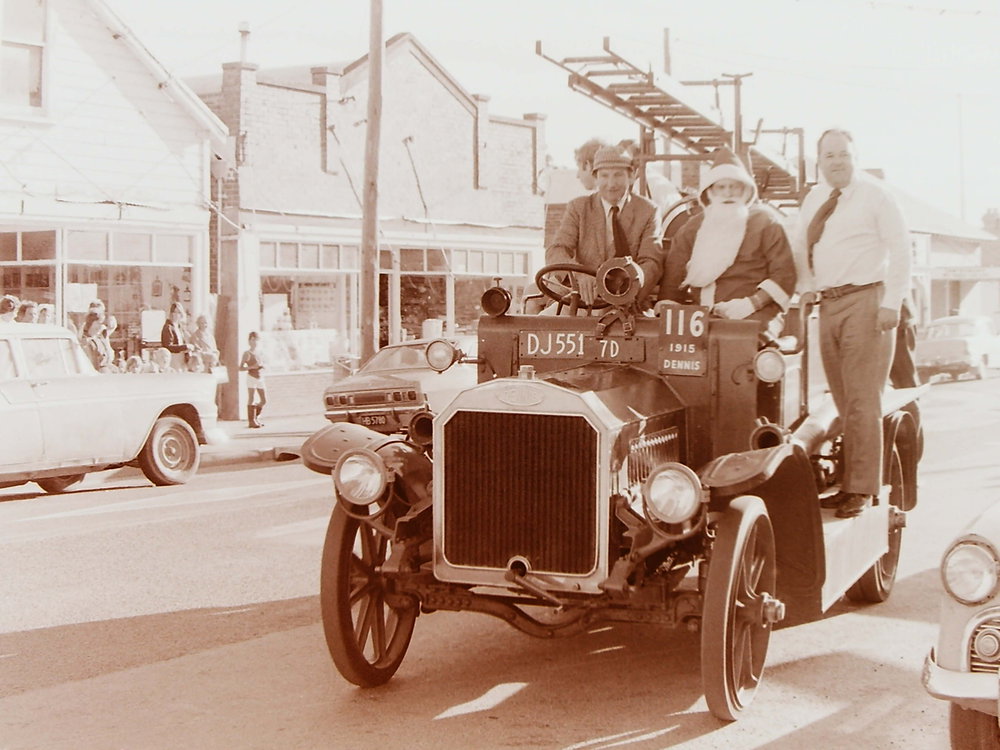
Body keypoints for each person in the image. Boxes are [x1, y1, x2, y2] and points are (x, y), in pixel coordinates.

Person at [793, 128, 911, 519]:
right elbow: (801, 248)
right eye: (829, 156)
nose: (836, 162)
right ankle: (848, 484)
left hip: (866, 300)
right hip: (828, 305)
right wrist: (807, 286)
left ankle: (860, 489)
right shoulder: (814, 198)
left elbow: (900, 249)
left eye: (843, 154)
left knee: (862, 401)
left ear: (855, 156)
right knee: (842, 401)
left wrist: (892, 302)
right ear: (819, 161)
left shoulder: (876, 195)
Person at [656, 147, 796, 338]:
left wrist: (751, 303)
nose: (728, 193)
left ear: (745, 189)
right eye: (721, 187)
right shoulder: (692, 228)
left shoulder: (765, 223)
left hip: (756, 315)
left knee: (745, 347)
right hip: (702, 318)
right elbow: (673, 279)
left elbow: (784, 274)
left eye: (734, 186)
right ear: (710, 192)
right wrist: (667, 314)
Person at [546, 144, 662, 306]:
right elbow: (556, 250)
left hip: (628, 304)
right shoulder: (579, 208)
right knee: (540, 323)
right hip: (581, 300)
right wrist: (579, 274)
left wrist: (631, 290)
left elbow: (651, 262)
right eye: (604, 176)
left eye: (618, 175)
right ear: (596, 178)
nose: (611, 183)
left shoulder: (648, 211)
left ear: (631, 176)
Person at [239, 331, 267, 428]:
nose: (254, 342)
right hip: (251, 377)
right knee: (251, 397)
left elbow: (263, 363)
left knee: (263, 400)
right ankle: (252, 421)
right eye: (252, 340)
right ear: (249, 341)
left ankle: (256, 416)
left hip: (260, 377)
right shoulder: (247, 353)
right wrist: (251, 367)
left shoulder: (260, 353)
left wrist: (262, 366)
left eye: (256, 340)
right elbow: (240, 368)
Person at [160, 302, 191, 371]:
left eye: (179, 312)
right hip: (173, 358)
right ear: (171, 313)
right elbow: (168, 346)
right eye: (174, 312)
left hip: (181, 357)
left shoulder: (180, 327)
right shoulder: (168, 327)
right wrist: (184, 347)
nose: (177, 315)